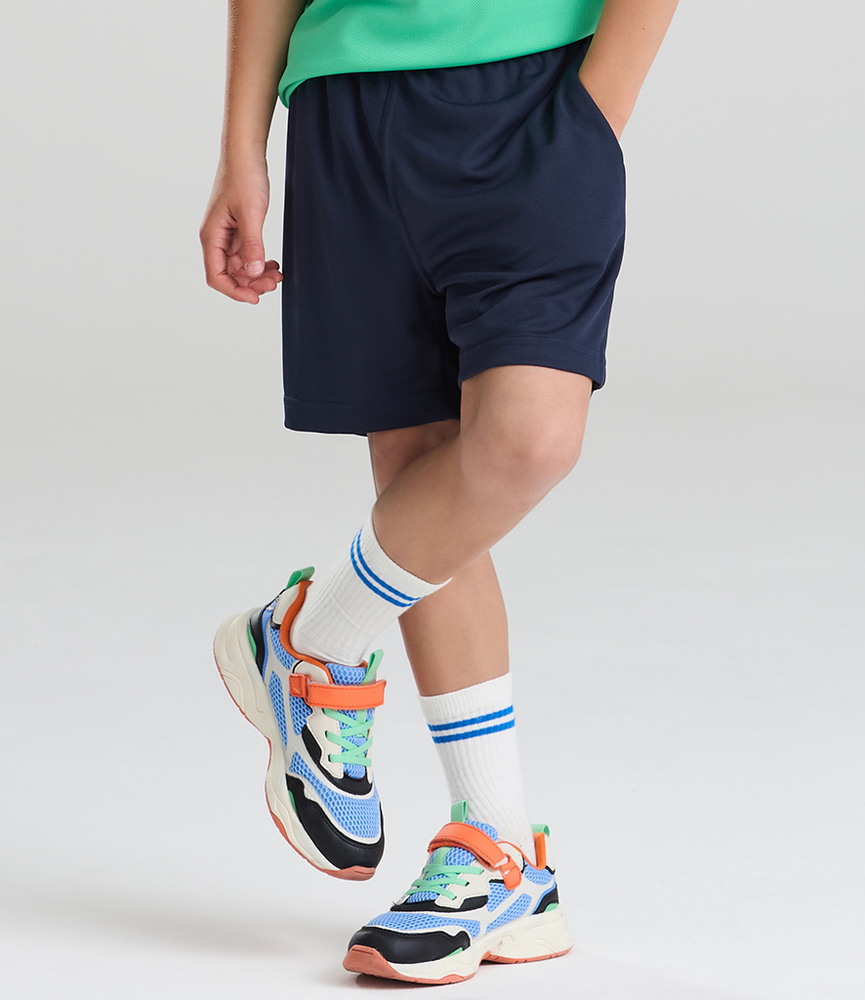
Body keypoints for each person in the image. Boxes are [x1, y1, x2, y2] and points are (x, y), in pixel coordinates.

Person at [201, 0, 679, 984]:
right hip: (344, 106)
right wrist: (242, 145)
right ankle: (501, 854)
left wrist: (593, 114)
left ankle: (310, 637)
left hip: (536, 92)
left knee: (526, 440)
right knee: (422, 469)